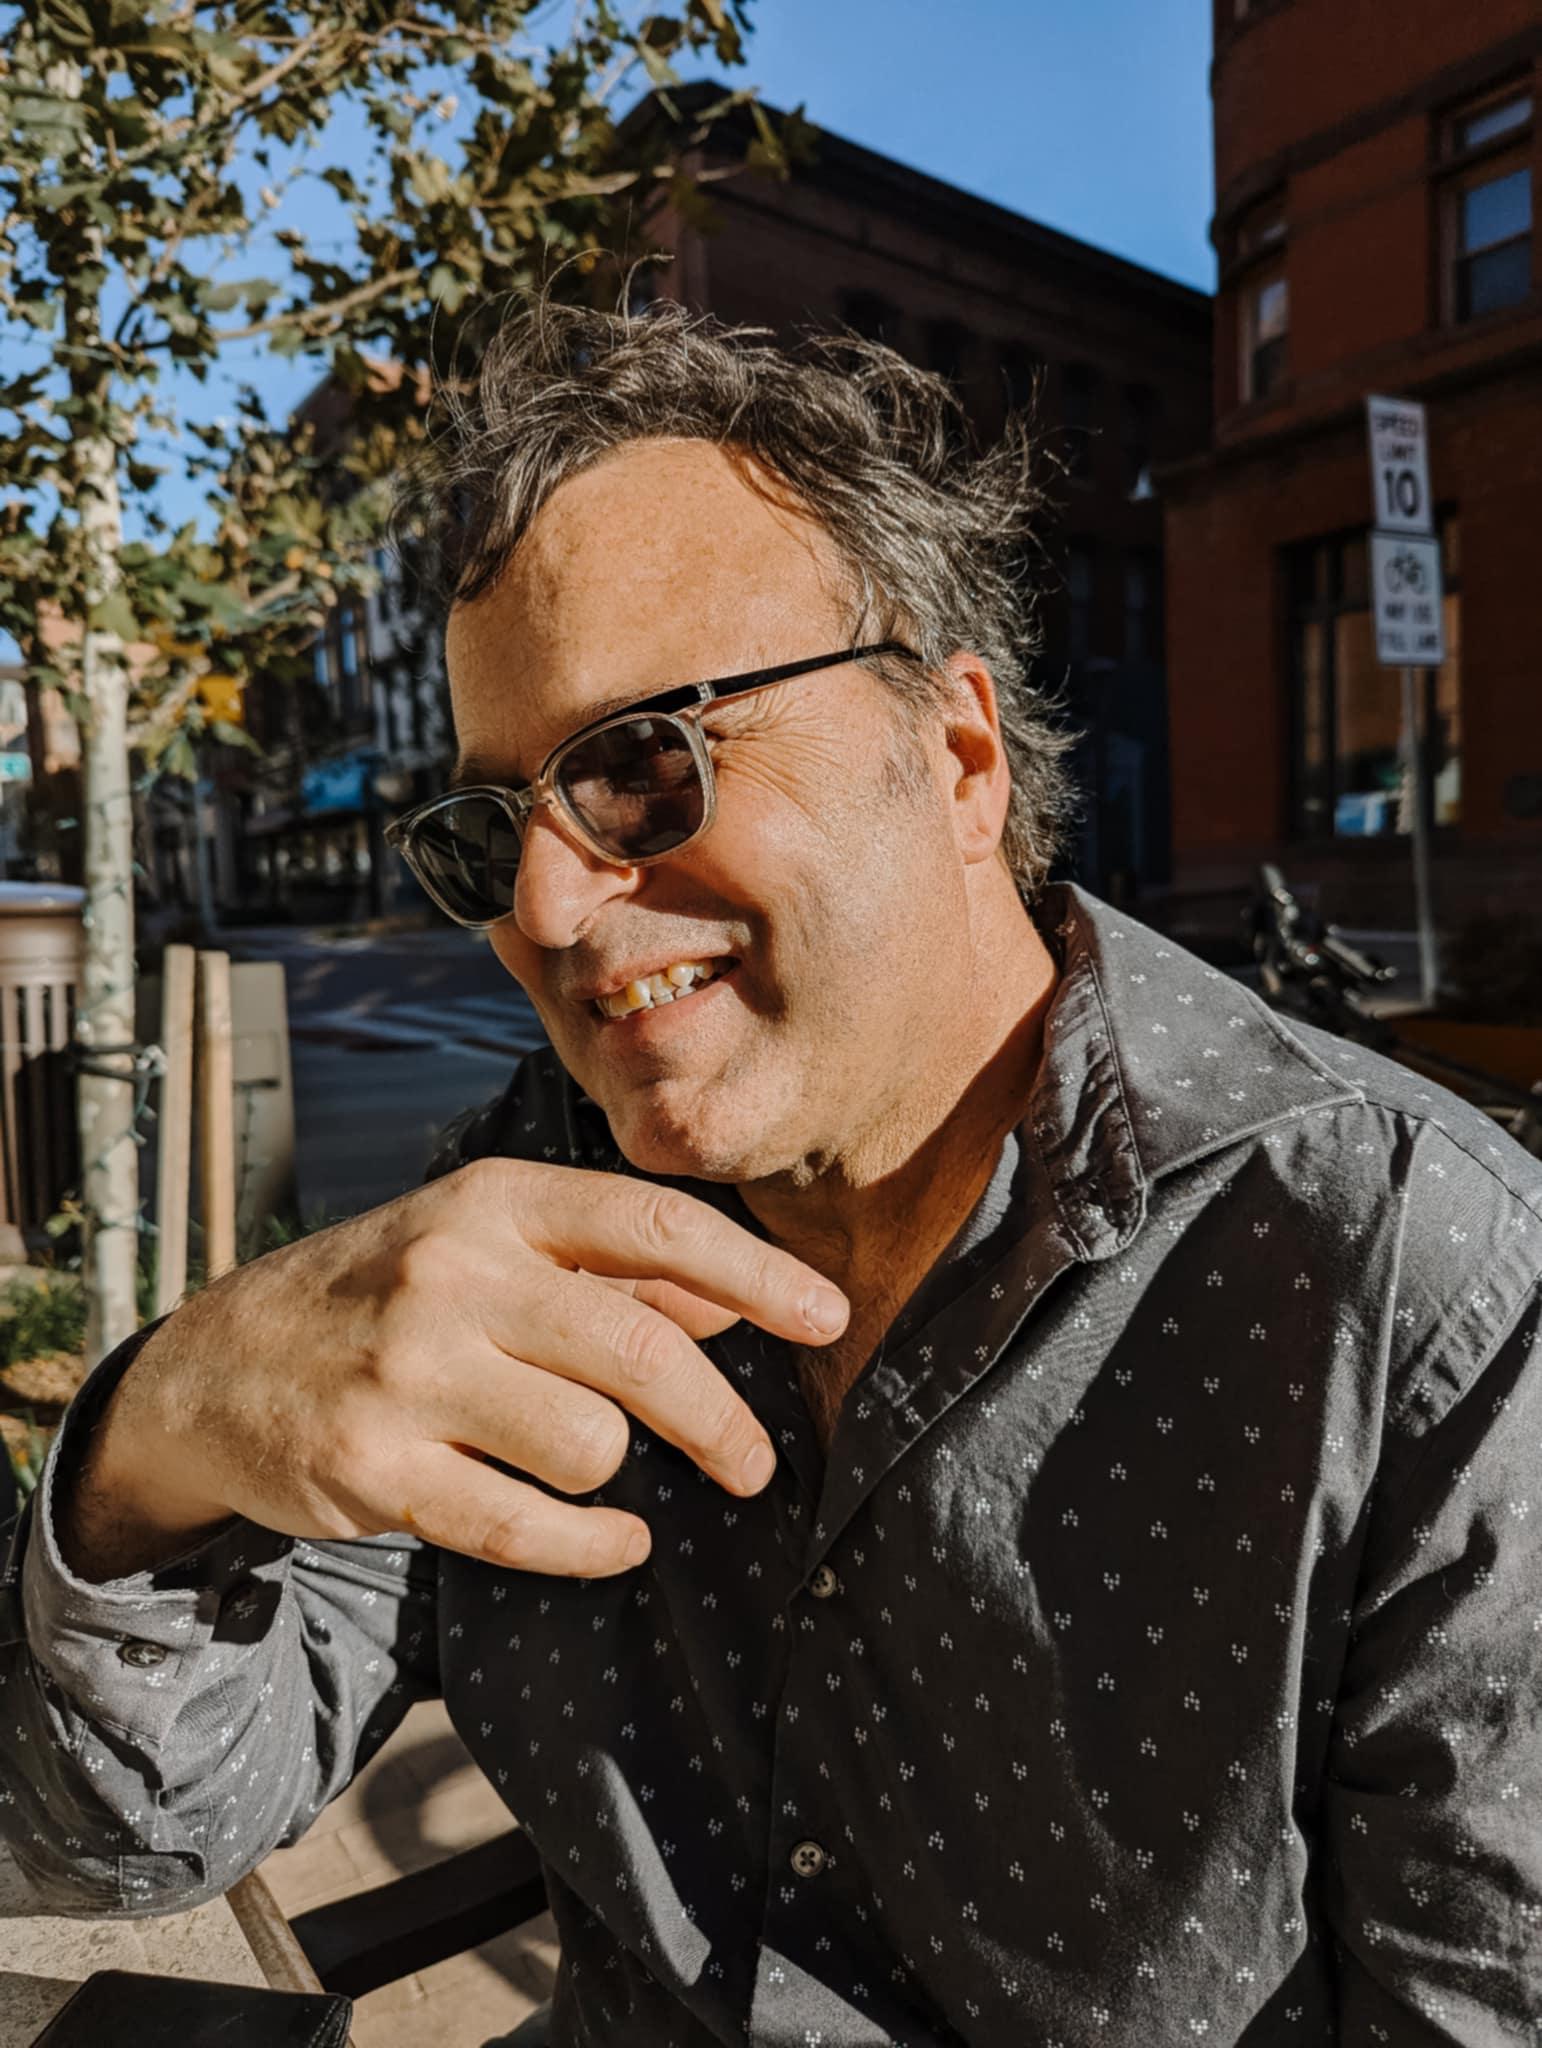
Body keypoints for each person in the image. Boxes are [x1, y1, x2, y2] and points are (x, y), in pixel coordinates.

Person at [3, 301, 1539, 2048]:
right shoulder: (525, 1195)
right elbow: (118, 1843)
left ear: (956, 758)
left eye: (642, 765)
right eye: (491, 831)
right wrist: (156, 1442)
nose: (544, 909)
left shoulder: (1420, 1292)